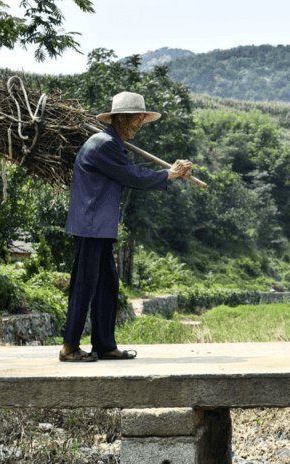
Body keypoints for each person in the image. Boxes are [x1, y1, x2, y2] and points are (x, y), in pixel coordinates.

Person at [59, 91, 193, 362]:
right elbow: (133, 176)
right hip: (91, 226)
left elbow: (128, 172)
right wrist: (170, 174)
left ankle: (104, 345)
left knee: (107, 284)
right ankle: (69, 347)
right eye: (136, 121)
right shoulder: (104, 145)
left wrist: (169, 174)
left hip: (100, 227)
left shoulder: (110, 143)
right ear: (121, 118)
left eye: (142, 121)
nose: (139, 126)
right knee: (84, 284)